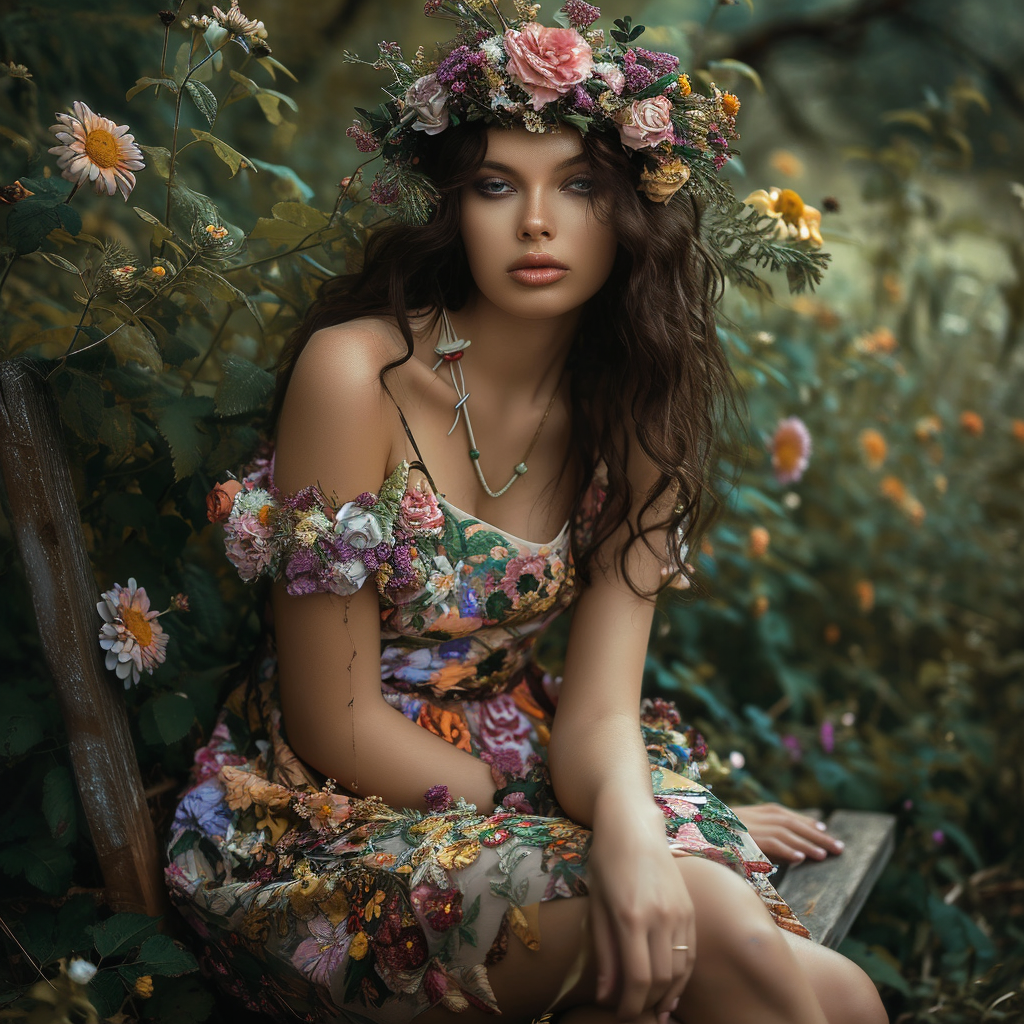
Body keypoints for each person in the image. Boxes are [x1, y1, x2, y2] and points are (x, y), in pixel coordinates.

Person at [165, 4, 888, 1023]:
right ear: (456, 205)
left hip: (539, 763)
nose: (536, 223)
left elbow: (597, 708)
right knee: (729, 940)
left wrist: (634, 826)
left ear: (635, 206)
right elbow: (336, 721)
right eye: (498, 185)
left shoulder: (634, 411)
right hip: (330, 818)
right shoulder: (357, 373)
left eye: (578, 185)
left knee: (841, 995)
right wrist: (598, 827)